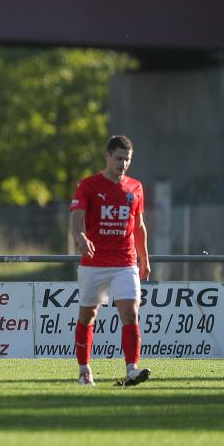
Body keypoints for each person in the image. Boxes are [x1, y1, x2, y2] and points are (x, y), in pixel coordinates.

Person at [69, 135, 151, 387]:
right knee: (87, 315)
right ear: (107, 156)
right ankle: (84, 371)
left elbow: (138, 226)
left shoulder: (135, 187)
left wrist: (144, 258)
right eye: (118, 158)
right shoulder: (89, 185)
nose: (123, 164)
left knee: (131, 313)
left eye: (127, 160)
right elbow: (75, 218)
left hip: (125, 263)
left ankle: (132, 370)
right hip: (94, 263)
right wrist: (81, 238)